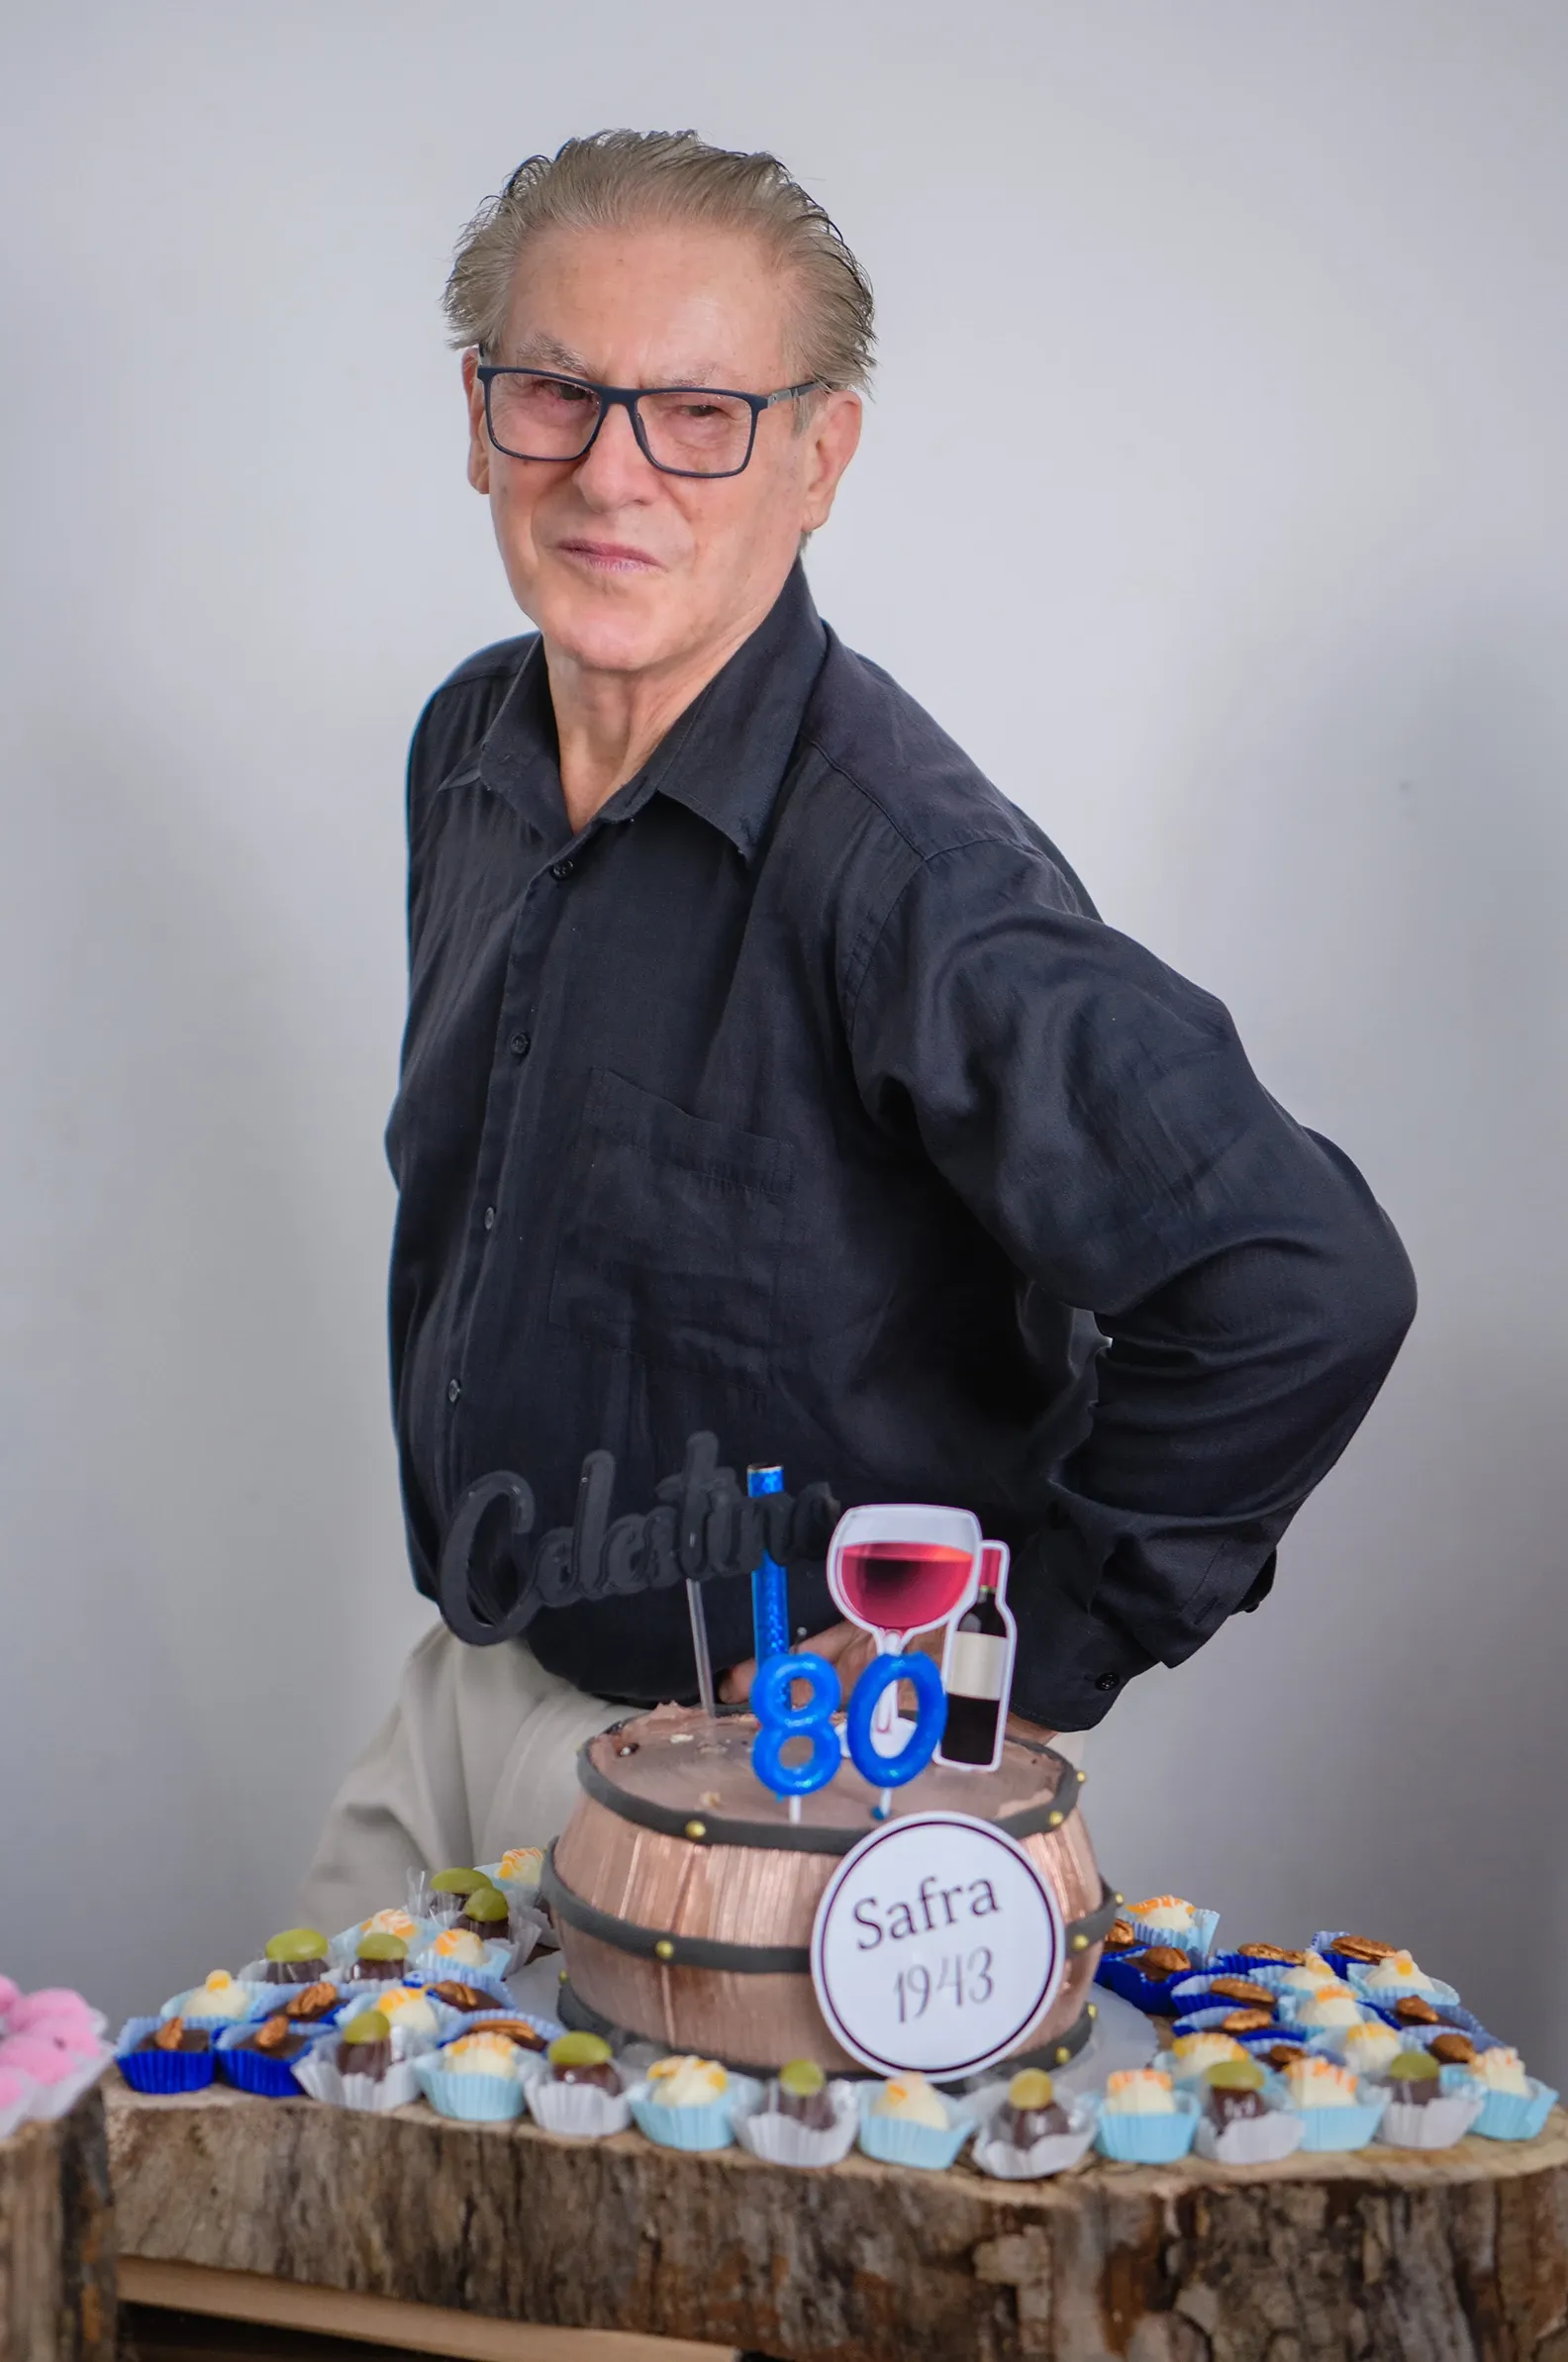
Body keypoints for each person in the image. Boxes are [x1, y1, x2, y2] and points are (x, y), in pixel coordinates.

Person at [299, 131, 1415, 1924]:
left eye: (701, 414)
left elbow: (1301, 1282)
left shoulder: (905, 873)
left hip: (784, 1796)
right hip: (463, 1692)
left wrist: (1015, 1665)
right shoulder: (469, 754)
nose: (613, 472)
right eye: (555, 393)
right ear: (478, 408)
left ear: (821, 455)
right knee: (283, 2181)